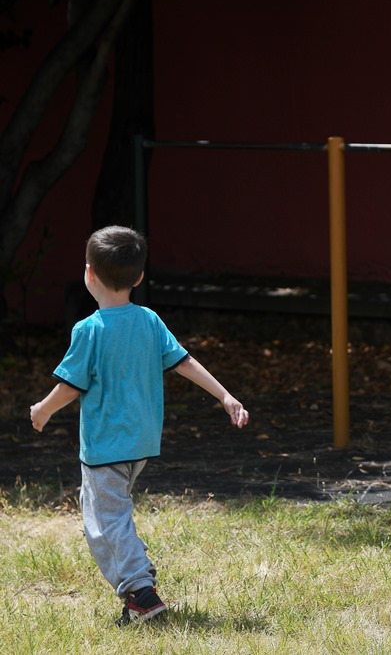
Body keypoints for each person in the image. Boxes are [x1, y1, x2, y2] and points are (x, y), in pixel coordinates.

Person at [29, 226, 249, 626]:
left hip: (105, 446)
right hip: (142, 441)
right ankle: (137, 579)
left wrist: (43, 409)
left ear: (89, 274)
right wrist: (224, 395)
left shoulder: (89, 329)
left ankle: (141, 592)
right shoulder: (148, 320)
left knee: (105, 522)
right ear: (140, 277)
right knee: (103, 516)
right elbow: (184, 362)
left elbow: (70, 385)